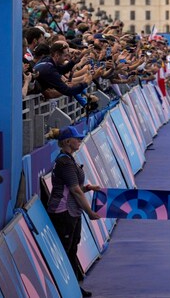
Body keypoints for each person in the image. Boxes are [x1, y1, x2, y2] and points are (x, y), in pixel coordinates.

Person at [46, 126, 101, 297]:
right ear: (68, 142)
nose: (80, 140)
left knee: (72, 250)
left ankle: (74, 289)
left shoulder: (70, 160)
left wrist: (87, 188)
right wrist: (90, 212)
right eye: (77, 138)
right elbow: (74, 191)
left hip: (72, 212)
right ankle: (65, 290)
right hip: (63, 213)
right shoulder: (65, 162)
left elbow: (75, 189)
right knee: (66, 251)